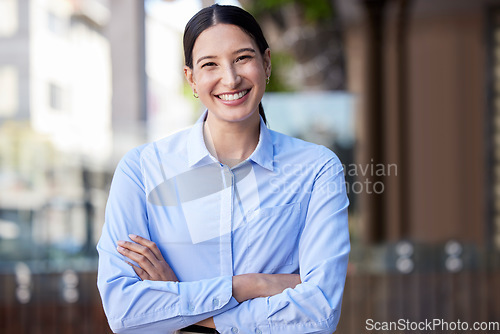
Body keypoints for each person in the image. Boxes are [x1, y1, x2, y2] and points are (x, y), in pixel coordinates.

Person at [97, 4, 350, 334]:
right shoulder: (141, 170)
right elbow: (124, 312)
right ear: (191, 78)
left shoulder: (317, 169)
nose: (230, 78)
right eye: (209, 64)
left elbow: (319, 312)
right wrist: (250, 285)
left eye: (243, 58)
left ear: (266, 63)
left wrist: (183, 305)